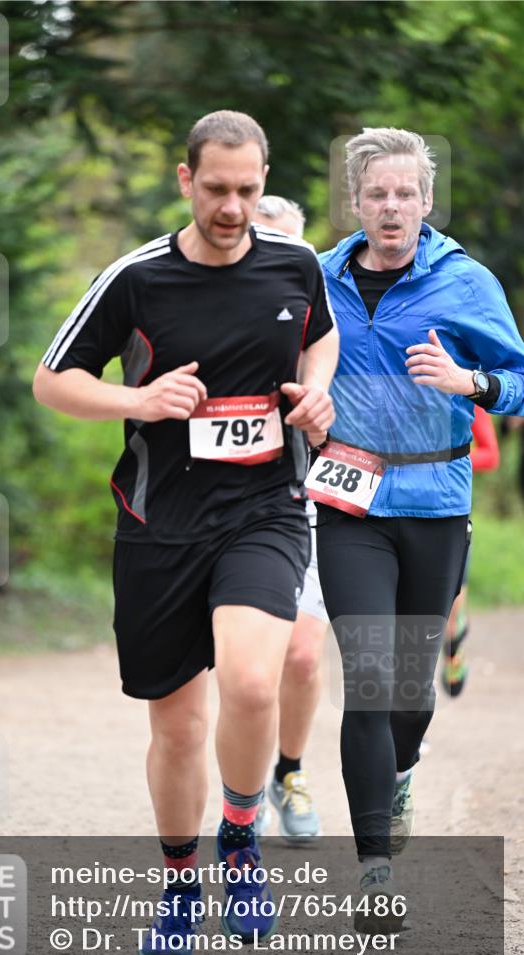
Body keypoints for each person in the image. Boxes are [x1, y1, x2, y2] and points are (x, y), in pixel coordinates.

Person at [33, 110, 339, 955]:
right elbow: (52, 381)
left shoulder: (294, 263)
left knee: (252, 682)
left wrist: (316, 393)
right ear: (184, 180)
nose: (231, 208)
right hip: (158, 524)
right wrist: (137, 400)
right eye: (215, 189)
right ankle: (178, 889)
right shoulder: (136, 278)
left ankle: (238, 841)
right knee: (176, 727)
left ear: (263, 179)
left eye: (246, 189)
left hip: (263, 510)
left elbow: (320, 338)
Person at [311, 126, 524, 932]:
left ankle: (400, 772)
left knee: (409, 691)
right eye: (376, 193)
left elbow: (518, 379)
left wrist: (469, 381)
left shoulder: (465, 282)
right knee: (368, 679)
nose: (390, 206)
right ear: (355, 202)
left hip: (435, 503)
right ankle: (374, 872)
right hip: (348, 504)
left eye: (405, 193)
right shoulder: (317, 277)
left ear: (426, 201)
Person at [252, 196, 329, 843]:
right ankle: (242, 788)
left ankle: (290, 771)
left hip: (308, 501)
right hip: (227, 508)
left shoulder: (325, 314)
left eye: (287, 246)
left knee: (301, 657)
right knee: (245, 667)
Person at [442, 407, 499, 697]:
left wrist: (445, 459)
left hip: (452, 510)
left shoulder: (464, 393)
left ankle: (454, 644)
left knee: (451, 608)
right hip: (400, 508)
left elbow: (491, 454)